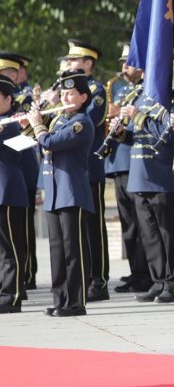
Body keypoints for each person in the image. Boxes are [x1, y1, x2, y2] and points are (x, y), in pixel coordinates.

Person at [29, 69, 95, 317]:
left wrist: (37, 126)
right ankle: (60, 300)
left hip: (72, 193)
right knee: (57, 252)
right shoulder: (57, 121)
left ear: (83, 98)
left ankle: (76, 302)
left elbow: (49, 143)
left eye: (71, 94)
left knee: (72, 251)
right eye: (63, 94)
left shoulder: (82, 123)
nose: (65, 98)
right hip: (54, 193)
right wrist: (34, 124)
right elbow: (39, 141)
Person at [116, 70, 174, 304]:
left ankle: (173, 283)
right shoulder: (139, 101)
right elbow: (135, 137)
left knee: (168, 234)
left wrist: (138, 117)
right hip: (140, 175)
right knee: (150, 236)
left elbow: (167, 135)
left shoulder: (173, 103)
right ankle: (158, 280)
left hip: (162, 176)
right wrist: (120, 133)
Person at [65, 39, 110, 302]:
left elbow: (88, 120)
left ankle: (99, 280)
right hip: (71, 169)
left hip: (90, 166)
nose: (69, 64)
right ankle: (81, 278)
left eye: (74, 60)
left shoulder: (96, 90)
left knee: (94, 225)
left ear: (88, 64)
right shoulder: (66, 91)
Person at [105, 45, 152, 294]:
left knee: (140, 221)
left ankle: (147, 273)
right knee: (129, 224)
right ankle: (137, 272)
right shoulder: (121, 88)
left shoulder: (145, 90)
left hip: (135, 161)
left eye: (129, 62)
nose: (124, 68)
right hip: (118, 161)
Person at [0, 73, 28, 313]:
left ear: (8, 99)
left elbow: (22, 150)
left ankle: (13, 295)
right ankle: (3, 290)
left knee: (11, 248)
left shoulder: (14, 123)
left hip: (8, 191)